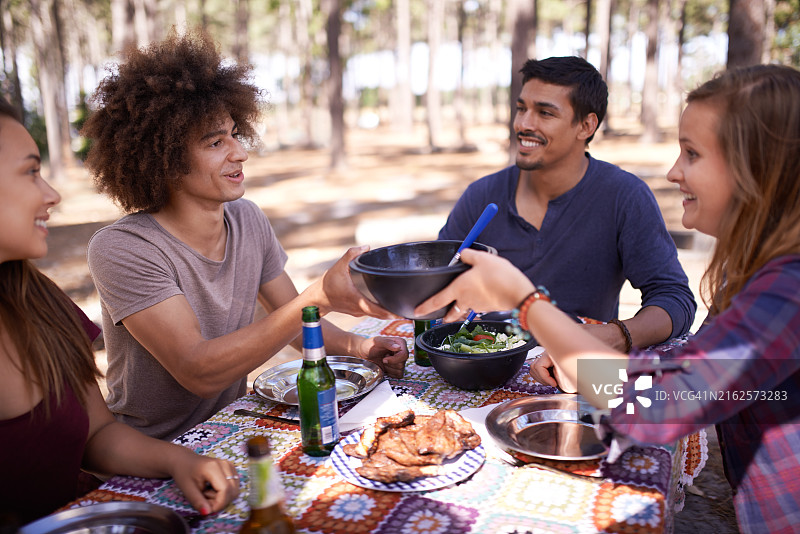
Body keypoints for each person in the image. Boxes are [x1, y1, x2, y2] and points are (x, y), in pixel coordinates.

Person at [417, 64, 800, 533]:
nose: (673, 171)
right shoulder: (759, 278)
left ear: (758, 169)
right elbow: (688, 373)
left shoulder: (788, 292)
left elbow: (658, 404)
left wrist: (526, 302)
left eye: (692, 154)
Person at [81, 30, 408, 441]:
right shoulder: (124, 249)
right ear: (163, 158)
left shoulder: (247, 219)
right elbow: (199, 370)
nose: (240, 152)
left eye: (234, 133)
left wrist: (359, 349)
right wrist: (318, 296)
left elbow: (291, 317)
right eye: (215, 142)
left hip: (230, 432)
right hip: (152, 454)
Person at [0, 97, 239, 526]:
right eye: (31, 171)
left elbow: (97, 434)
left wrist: (178, 461)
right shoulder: (121, 248)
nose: (52, 194)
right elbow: (198, 367)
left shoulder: (40, 302)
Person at [438, 56, 696, 368]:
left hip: (574, 378)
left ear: (586, 126)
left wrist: (616, 335)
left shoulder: (624, 197)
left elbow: (674, 299)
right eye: (521, 109)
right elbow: (437, 286)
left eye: (544, 113)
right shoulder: (481, 195)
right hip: (478, 369)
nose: (523, 124)